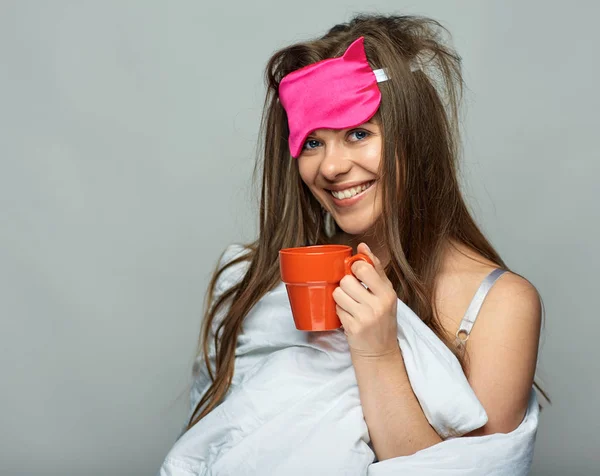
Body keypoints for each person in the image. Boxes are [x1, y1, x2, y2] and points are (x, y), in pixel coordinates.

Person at [159, 13, 545, 476]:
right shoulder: (257, 281)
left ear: (415, 140)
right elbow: (223, 442)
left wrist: (377, 352)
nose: (331, 167)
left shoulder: (501, 306)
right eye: (313, 143)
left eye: (358, 134)